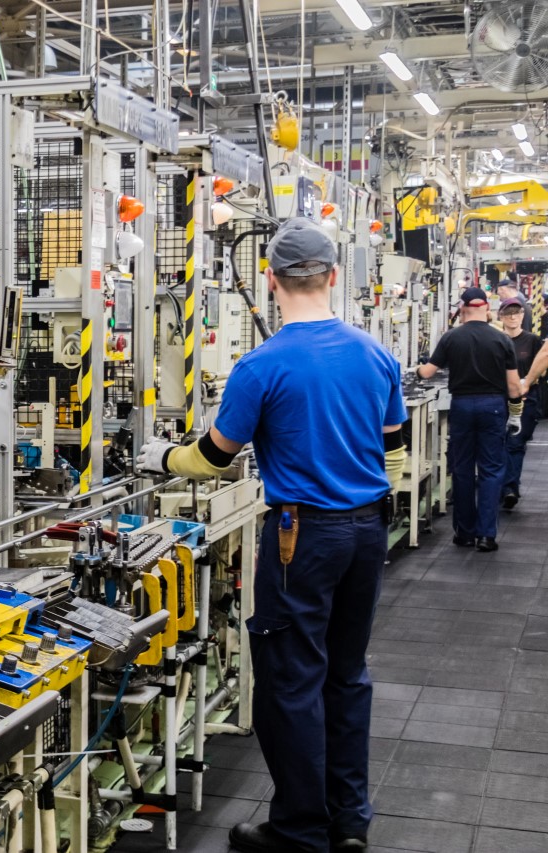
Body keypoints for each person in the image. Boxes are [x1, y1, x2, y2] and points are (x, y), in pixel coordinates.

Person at [137, 217, 406, 853]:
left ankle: (300, 830)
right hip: (367, 530)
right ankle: (349, 822)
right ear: (333, 276)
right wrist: (366, 502)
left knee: (292, 681)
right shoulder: (376, 355)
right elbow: (393, 451)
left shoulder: (261, 366)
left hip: (300, 538)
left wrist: (162, 457)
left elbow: (213, 457)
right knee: (347, 675)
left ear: (270, 280)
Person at [415, 287, 523, 551]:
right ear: (486, 308)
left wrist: (417, 368)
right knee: (491, 470)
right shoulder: (502, 340)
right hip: (493, 406)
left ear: (462, 309)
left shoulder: (451, 337)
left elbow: (427, 373)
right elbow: (513, 387)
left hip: (462, 406)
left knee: (462, 469)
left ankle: (464, 533)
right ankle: (486, 536)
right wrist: (515, 413)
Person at [497, 301, 542, 508]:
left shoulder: (533, 341)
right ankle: (501, 485)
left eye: (516, 313)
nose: (513, 317)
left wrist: (526, 384)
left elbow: (541, 368)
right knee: (499, 443)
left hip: (526, 399)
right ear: (501, 316)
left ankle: (510, 489)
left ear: (523, 315)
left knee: (515, 443)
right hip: (499, 399)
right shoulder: (496, 340)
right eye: (508, 313)